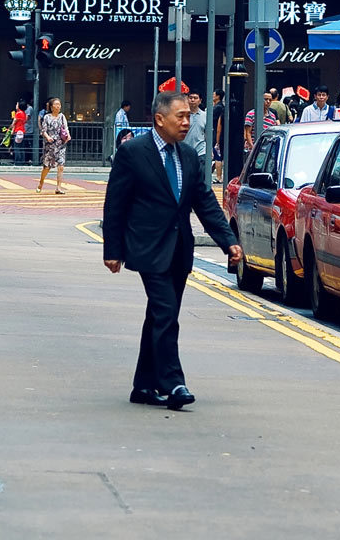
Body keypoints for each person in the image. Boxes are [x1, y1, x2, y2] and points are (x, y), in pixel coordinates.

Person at [102, 91, 242, 409]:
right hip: (147, 247)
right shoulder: (133, 152)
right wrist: (113, 248)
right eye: (180, 116)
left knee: (159, 316)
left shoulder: (188, 155)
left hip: (179, 249)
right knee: (166, 312)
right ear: (159, 119)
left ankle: (143, 385)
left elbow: (203, 201)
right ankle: (173, 383)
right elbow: (115, 203)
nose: (186, 121)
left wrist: (228, 241)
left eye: (188, 116)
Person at [36, 97, 71, 194]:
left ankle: (58, 187)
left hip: (61, 144)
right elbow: (43, 130)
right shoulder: (47, 117)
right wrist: (47, 137)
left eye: (59, 104)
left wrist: (68, 135)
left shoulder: (62, 116)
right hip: (50, 145)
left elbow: (65, 127)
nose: (58, 106)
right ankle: (41, 182)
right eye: (56, 104)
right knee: (47, 167)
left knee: (61, 165)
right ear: (51, 107)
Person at [183, 89, 207, 162]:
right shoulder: (182, 115)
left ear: (200, 101)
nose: (192, 100)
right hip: (184, 151)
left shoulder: (205, 115)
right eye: (190, 98)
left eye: (195, 98)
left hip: (200, 152)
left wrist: (210, 150)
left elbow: (208, 134)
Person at [212, 89, 225, 182]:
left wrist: (217, 139)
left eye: (214, 94)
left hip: (218, 133)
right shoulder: (218, 106)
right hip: (217, 133)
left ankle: (219, 176)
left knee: (217, 154)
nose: (212, 96)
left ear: (218, 96)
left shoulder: (218, 107)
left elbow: (218, 125)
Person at [11, 99, 28, 165]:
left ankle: (17, 162)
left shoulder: (18, 113)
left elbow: (14, 123)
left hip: (17, 131)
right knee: (21, 147)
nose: (16, 105)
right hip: (23, 131)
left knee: (17, 147)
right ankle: (22, 161)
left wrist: (12, 129)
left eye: (17, 104)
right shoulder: (24, 113)